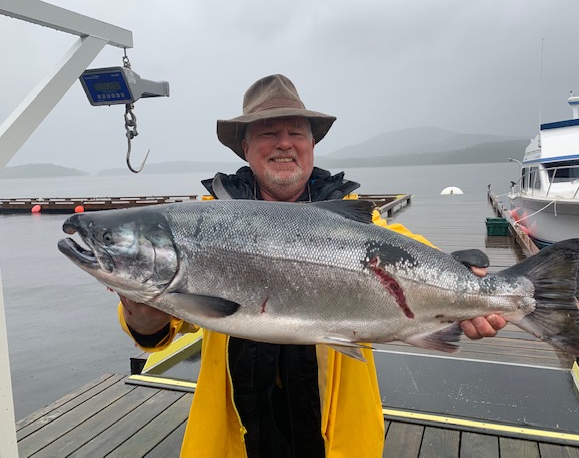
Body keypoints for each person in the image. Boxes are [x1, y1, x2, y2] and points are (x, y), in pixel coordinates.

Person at [118, 74, 507, 457]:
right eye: (268, 132)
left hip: (337, 442)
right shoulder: (201, 226)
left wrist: (465, 286)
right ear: (246, 147)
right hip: (233, 443)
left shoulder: (357, 220)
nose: (284, 143)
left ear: (312, 144)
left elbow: (407, 249)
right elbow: (160, 327)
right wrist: (140, 311)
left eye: (296, 133)